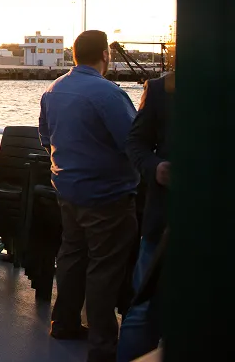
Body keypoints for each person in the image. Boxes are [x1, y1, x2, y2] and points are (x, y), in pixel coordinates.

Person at [39, 30, 139, 362]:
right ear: (106, 56)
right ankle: (102, 347)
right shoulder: (109, 94)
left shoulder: (53, 90)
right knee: (104, 268)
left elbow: (44, 137)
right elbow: (133, 143)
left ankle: (63, 322)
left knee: (71, 257)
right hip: (107, 197)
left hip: (67, 192)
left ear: (74, 54)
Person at [118, 70, 173, 361]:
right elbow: (135, 143)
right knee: (144, 308)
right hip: (163, 221)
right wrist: (156, 169)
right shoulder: (161, 89)